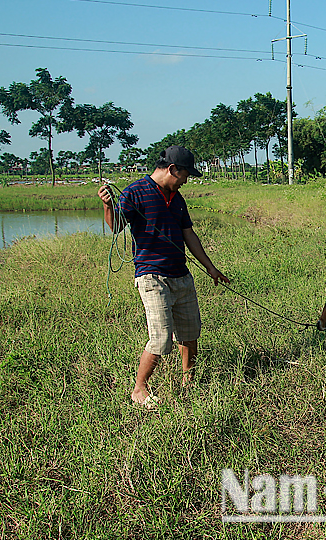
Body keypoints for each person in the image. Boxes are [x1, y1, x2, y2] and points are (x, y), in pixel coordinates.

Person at [99, 145, 230, 409]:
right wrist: (107, 206)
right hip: (151, 276)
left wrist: (210, 267)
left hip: (181, 275)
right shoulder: (135, 192)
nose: (186, 181)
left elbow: (189, 235)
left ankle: (188, 382)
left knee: (190, 334)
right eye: (185, 176)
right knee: (160, 338)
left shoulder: (177, 199)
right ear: (172, 170)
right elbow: (116, 226)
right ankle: (139, 389)